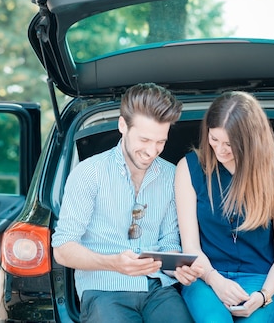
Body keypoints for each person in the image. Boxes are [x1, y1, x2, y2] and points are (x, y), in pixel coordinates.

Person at [52, 82, 193, 323]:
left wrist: (179, 267)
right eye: (145, 140)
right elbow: (63, 249)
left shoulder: (172, 175)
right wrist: (114, 263)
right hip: (104, 290)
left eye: (161, 141)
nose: (152, 151)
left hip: (159, 290)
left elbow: (169, 241)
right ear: (122, 126)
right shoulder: (89, 173)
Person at [173, 91, 274, 323]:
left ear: (250, 139)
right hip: (205, 278)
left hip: (261, 280)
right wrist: (215, 281)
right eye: (214, 139)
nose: (220, 150)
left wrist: (263, 295)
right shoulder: (188, 168)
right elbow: (191, 247)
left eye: (230, 143)